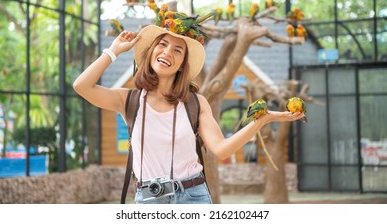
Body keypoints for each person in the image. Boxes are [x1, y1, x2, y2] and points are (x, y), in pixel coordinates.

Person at [73, 23, 304, 204]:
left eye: (177, 50)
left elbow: (222, 148)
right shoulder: (129, 100)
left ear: (183, 63)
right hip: (150, 200)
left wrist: (263, 120)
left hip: (193, 197)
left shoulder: (195, 103)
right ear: (152, 50)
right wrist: (113, 51)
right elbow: (81, 86)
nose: (167, 53)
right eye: (162, 45)